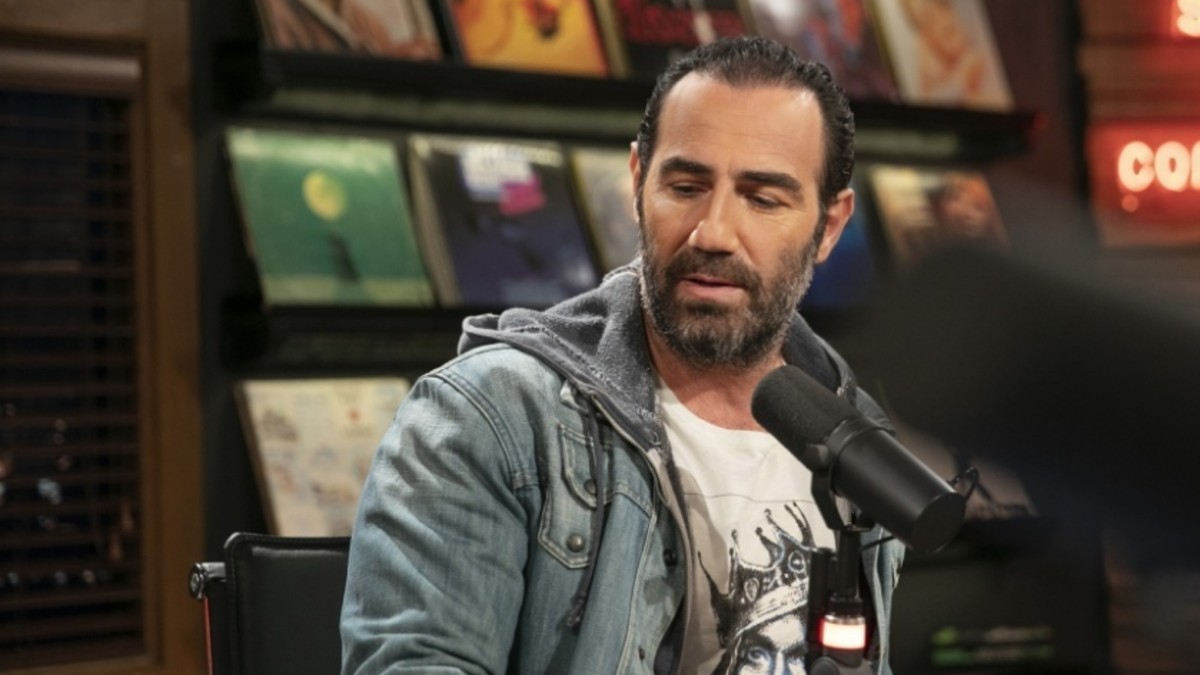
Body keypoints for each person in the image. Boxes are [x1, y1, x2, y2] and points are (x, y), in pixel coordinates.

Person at [340, 36, 905, 675]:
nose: (713, 233)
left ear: (829, 226)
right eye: (685, 186)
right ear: (638, 182)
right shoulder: (491, 417)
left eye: (762, 199)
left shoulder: (858, 438)